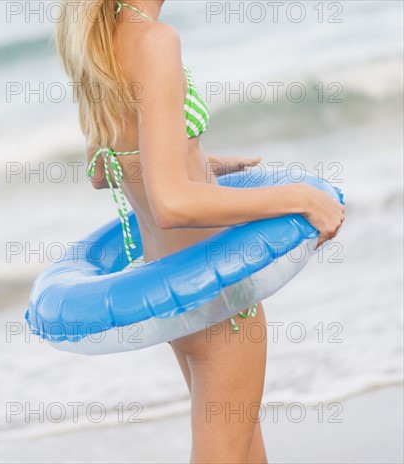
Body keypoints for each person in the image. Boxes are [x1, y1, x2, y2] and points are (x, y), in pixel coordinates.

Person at [55, 1, 345, 462]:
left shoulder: (102, 38)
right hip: (220, 298)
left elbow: (102, 167)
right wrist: (300, 197)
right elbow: (172, 203)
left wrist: (196, 160)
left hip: (177, 296)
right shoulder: (154, 40)